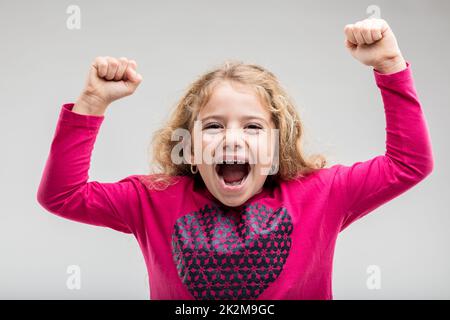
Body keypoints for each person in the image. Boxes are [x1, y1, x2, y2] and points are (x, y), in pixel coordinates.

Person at [37, 18, 434, 299]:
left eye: (253, 127)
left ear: (278, 146)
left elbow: (408, 163)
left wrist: (388, 65)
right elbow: (62, 196)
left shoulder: (322, 194)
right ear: (188, 147)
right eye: (212, 126)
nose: (232, 138)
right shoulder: (152, 199)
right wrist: (91, 103)